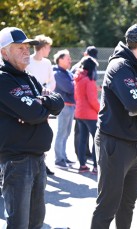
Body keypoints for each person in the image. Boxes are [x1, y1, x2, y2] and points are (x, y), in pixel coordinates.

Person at [90, 23, 137, 229]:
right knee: (108, 205)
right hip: (114, 142)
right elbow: (134, 104)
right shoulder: (120, 66)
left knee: (128, 204)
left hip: (135, 142)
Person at [0, 27, 64, 228]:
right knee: (19, 223)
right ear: (4, 52)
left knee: (36, 222)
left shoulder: (27, 77)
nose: (26, 51)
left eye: (27, 47)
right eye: (19, 47)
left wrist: (38, 102)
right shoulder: (3, 80)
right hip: (17, 161)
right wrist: (40, 106)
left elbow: (58, 102)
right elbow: (34, 113)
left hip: (37, 159)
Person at [26, 34, 56, 176]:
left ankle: (43, 163)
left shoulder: (47, 63)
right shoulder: (28, 61)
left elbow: (52, 81)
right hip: (29, 103)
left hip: (43, 102)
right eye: (48, 47)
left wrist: (46, 92)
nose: (49, 50)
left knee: (44, 132)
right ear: (42, 47)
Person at [72, 46, 99, 161]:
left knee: (82, 137)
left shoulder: (79, 77)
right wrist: (99, 109)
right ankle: (95, 165)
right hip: (89, 113)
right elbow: (92, 98)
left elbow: (77, 94)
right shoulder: (88, 79)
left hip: (79, 110)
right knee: (96, 138)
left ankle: (82, 162)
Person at [53, 49, 76, 170]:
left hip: (70, 106)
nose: (70, 61)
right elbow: (69, 88)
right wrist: (76, 82)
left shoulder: (67, 73)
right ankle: (59, 159)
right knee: (61, 133)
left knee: (66, 133)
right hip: (64, 106)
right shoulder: (57, 73)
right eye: (68, 59)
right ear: (60, 60)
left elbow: (73, 87)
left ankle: (63, 156)